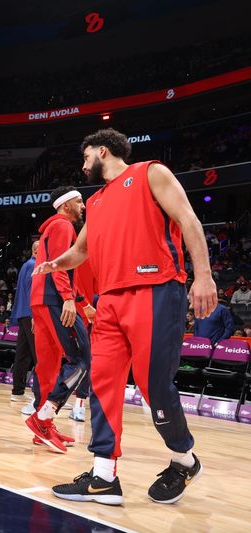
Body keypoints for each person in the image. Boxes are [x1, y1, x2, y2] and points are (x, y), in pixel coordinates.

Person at [38, 128, 216, 505]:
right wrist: (56, 262)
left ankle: (184, 458)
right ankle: (104, 475)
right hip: (111, 301)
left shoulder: (151, 172)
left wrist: (203, 275)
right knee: (103, 381)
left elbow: (189, 221)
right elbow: (80, 251)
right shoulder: (98, 201)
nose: (83, 165)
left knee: (155, 386)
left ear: (103, 150)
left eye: (86, 157)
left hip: (156, 289)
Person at [25, 186, 91, 453]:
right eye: (79, 201)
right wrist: (67, 298)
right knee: (82, 360)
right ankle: (43, 417)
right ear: (66, 206)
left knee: (48, 366)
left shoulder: (54, 226)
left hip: (41, 301)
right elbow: (58, 264)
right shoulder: (63, 226)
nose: (83, 206)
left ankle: (43, 428)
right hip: (54, 299)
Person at [10, 241, 38, 404]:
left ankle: (18, 390)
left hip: (23, 313)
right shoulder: (33, 265)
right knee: (38, 355)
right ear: (35, 250)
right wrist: (35, 314)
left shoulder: (25, 265)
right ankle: (42, 393)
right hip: (31, 314)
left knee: (23, 354)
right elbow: (31, 291)